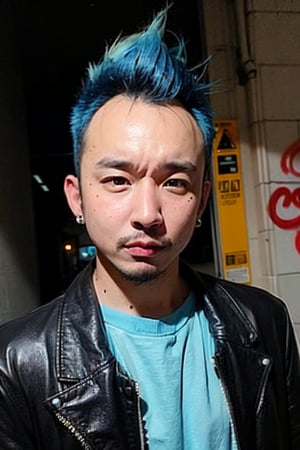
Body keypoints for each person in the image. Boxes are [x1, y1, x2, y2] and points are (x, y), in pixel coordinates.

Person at [0, 9, 299, 450]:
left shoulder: (263, 323)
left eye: (175, 182)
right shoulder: (18, 362)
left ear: (202, 200)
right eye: (118, 180)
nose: (147, 212)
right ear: (76, 196)